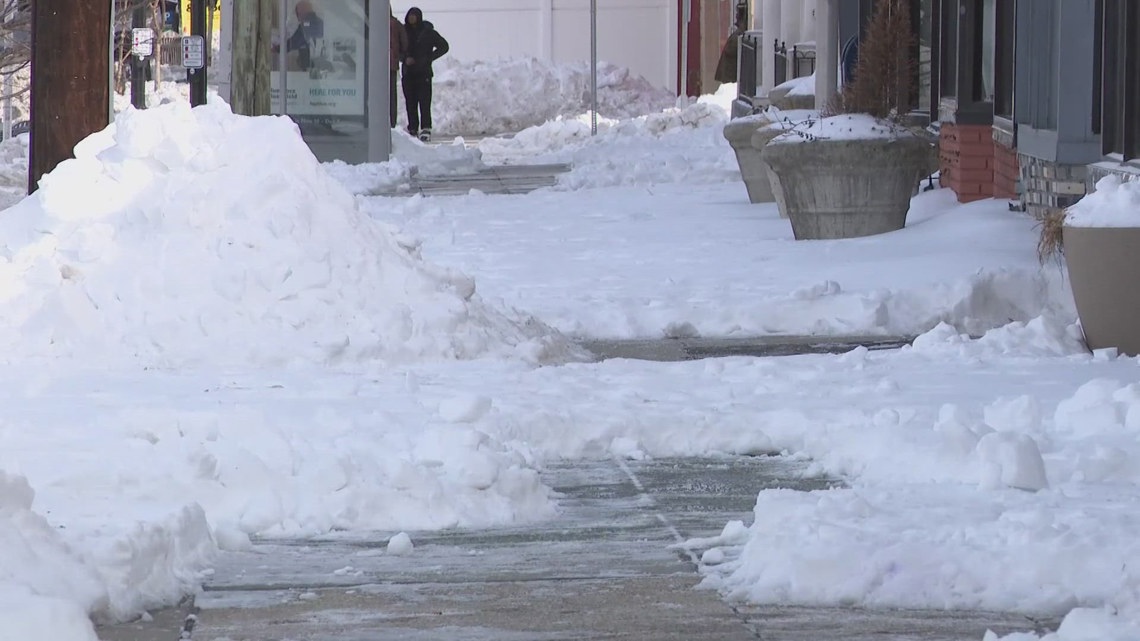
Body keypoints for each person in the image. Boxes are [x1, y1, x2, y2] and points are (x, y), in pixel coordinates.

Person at [402, 7, 449, 142]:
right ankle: (412, 128)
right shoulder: (404, 31)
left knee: (424, 101)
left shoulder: (428, 32)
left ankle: (426, 128)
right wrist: (404, 59)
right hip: (408, 73)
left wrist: (429, 58)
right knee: (410, 102)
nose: (412, 18)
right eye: (410, 15)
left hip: (424, 73)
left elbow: (444, 46)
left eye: (414, 15)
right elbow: (396, 48)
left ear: (419, 17)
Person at [287, 1, 324, 71]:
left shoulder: (305, 25)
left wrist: (278, 48)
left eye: (298, 13)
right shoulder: (320, 22)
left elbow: (294, 42)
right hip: (315, 68)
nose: (298, 17)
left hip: (312, 68)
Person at [389, 10, 409, 129]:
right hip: (392, 64)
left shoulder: (371, 23)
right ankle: (391, 122)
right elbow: (404, 44)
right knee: (391, 95)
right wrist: (399, 56)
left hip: (374, 65)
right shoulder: (397, 25)